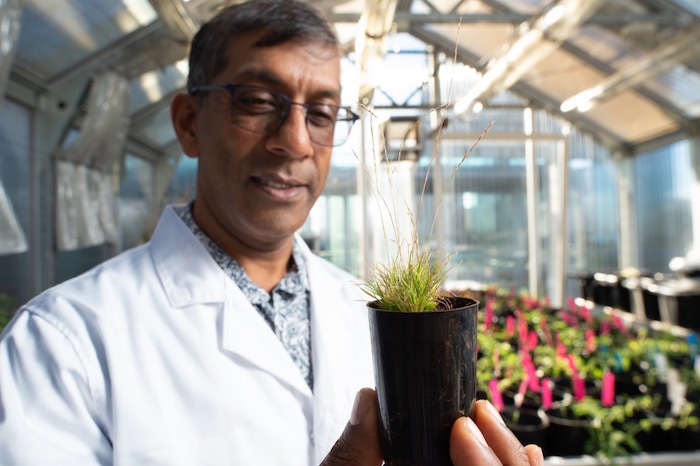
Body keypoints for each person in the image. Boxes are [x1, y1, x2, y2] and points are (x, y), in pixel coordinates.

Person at [0, 1, 544, 465]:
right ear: (189, 122)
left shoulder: (366, 313)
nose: (295, 142)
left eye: (323, 113)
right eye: (259, 102)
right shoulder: (63, 342)